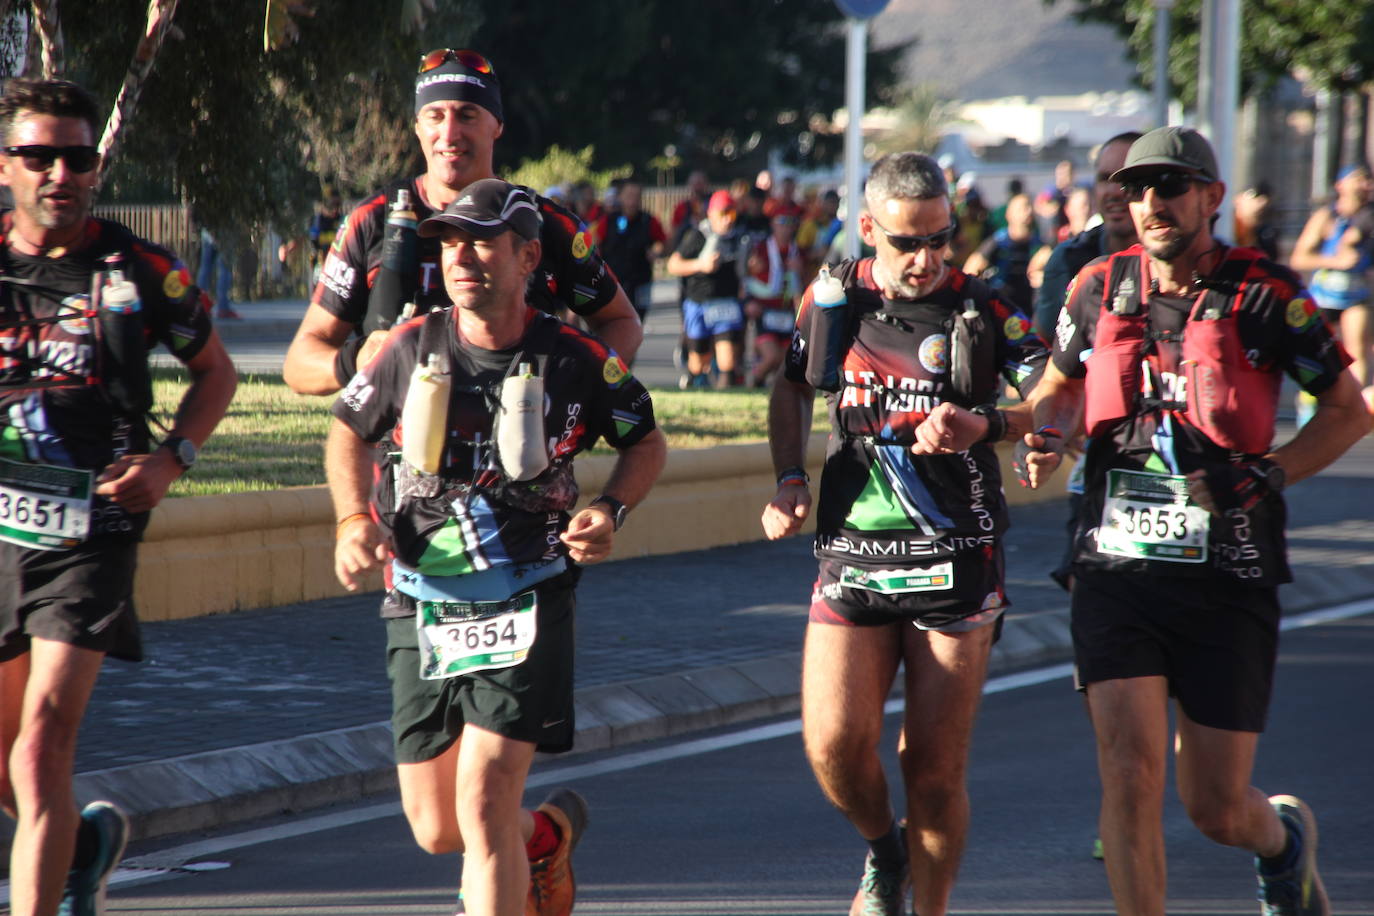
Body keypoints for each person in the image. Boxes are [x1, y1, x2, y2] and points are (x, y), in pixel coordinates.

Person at [1023, 126, 1369, 916]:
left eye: (1172, 187)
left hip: (1228, 574)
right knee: (1130, 773)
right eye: (1140, 188)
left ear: (1211, 197)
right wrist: (1045, 428)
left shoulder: (1268, 294)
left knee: (1214, 807)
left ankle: (1280, 843)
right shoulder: (1095, 287)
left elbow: (1348, 412)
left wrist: (1268, 472)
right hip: (1114, 565)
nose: (1152, 204)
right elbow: (1058, 385)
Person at [326, 179, 666, 916]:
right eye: (450, 242)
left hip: (528, 596)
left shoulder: (574, 357)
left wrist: (610, 507)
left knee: (481, 803)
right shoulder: (410, 346)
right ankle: (543, 839)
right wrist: (355, 519)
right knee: (436, 826)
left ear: (527, 256)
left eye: (482, 242)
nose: (462, 257)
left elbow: (646, 441)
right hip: (418, 601)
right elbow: (346, 432)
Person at [761, 151, 1049, 916]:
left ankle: (931, 907)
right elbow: (789, 387)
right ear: (866, 231)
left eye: (939, 240)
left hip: (955, 560)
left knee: (932, 770)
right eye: (905, 243)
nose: (925, 260)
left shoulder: (983, 306)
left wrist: (986, 424)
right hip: (853, 557)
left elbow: (1052, 399)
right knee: (832, 745)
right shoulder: (831, 301)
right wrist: (790, 479)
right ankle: (884, 850)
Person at [0, 78, 237, 916]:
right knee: (9, 765)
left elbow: (216, 371)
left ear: (96, 167)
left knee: (40, 750)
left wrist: (173, 458)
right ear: (8, 165)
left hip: (91, 529)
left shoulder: (138, 268)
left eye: (76, 156)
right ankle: (83, 848)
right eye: (38, 156)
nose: (58, 173)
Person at [283, 48, 642, 397]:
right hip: (397, 451)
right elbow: (300, 363)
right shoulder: (373, 218)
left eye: (467, 114)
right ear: (417, 127)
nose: (450, 134)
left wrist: (566, 392)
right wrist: (356, 358)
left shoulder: (545, 224)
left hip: (518, 447)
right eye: (435, 115)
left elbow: (623, 324)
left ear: (497, 125)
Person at [1034, 131, 1142, 343]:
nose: (1114, 191)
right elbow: (1045, 350)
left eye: (1126, 179)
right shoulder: (1068, 259)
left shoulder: (1185, 259)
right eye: (1104, 179)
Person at [1290, 164, 1374, 390]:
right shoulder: (1327, 217)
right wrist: (1336, 261)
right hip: (1325, 295)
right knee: (1316, 351)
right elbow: (1299, 258)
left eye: (1367, 180)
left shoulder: (1370, 217)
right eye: (1358, 179)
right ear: (1340, 185)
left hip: (1357, 295)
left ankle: (1357, 408)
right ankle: (1311, 402)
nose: (1364, 185)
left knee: (1358, 350)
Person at [667, 189, 746, 388]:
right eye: (722, 214)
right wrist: (700, 265)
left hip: (726, 304)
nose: (727, 220)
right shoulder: (697, 235)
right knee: (698, 362)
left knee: (727, 360)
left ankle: (726, 400)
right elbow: (673, 265)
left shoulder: (740, 238)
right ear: (711, 214)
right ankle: (695, 384)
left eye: (731, 214)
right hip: (698, 304)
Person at [742, 209, 804, 386]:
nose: (786, 228)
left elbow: (806, 285)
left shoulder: (797, 250)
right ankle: (752, 385)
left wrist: (800, 272)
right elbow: (745, 280)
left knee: (786, 362)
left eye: (790, 223)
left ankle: (765, 390)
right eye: (781, 222)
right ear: (773, 224)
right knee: (771, 356)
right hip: (764, 314)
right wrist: (748, 302)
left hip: (786, 314)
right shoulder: (760, 248)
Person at [592, 178, 665, 323]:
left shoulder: (648, 220)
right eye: (629, 195)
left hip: (641, 280)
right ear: (620, 197)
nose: (632, 200)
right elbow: (595, 243)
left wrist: (656, 251)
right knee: (613, 322)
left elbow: (661, 241)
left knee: (637, 321)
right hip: (613, 281)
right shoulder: (608, 220)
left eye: (636, 196)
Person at [962, 191, 1043, 313]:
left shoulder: (1039, 245)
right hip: (1001, 311)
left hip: (1030, 311)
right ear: (1009, 214)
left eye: (1030, 206)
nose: (1028, 211)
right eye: (1023, 208)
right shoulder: (997, 242)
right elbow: (969, 271)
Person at [196, 225, 239, 320]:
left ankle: (201, 306)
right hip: (223, 228)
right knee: (224, 268)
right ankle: (223, 308)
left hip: (207, 229)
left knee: (205, 267)